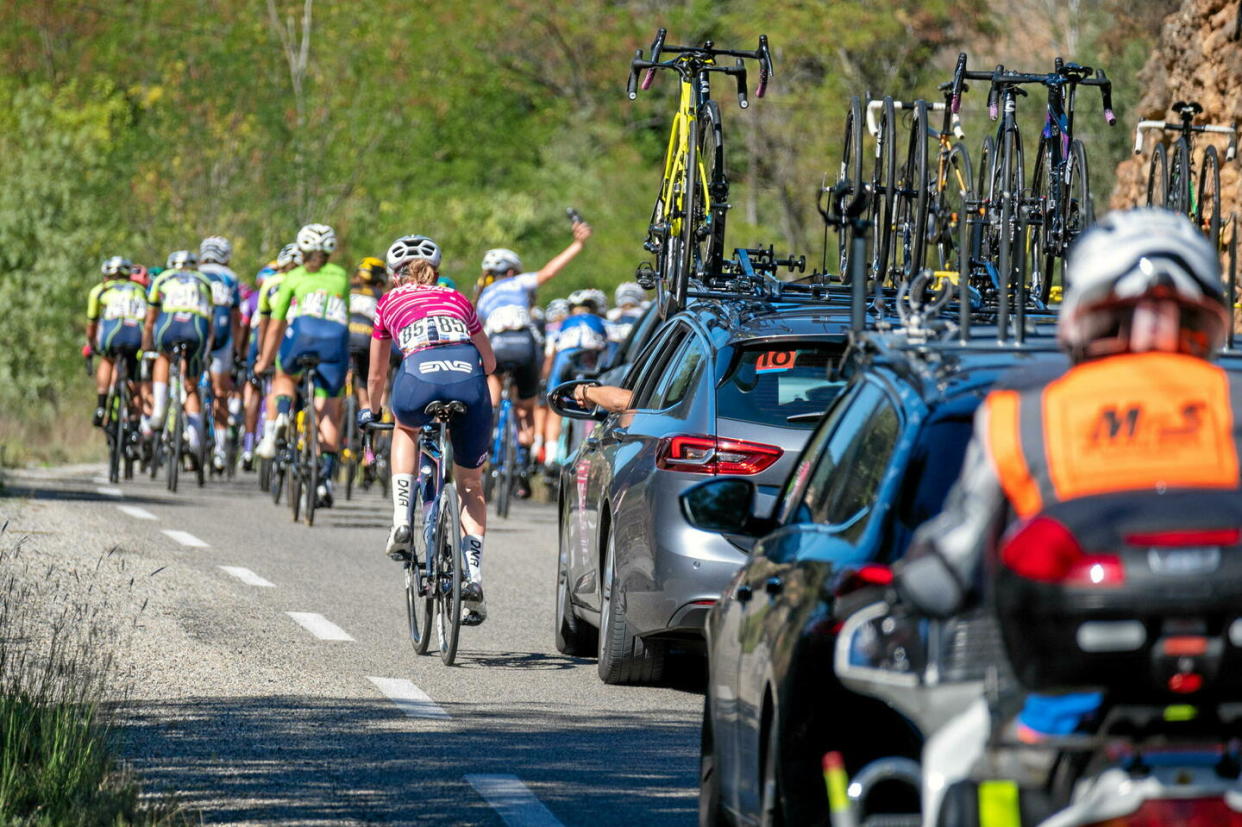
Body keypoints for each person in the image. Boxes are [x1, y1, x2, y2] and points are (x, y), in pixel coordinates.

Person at [894, 208, 1242, 741]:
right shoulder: (1234, 401)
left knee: (957, 763)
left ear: (1085, 311)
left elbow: (955, 559)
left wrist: (911, 586)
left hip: (1068, 715)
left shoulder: (1024, 409)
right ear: (1206, 314)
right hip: (1227, 704)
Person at [358, 235, 497, 625]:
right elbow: (489, 362)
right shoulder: (458, 299)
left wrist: (372, 411)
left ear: (394, 274)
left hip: (418, 378)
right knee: (471, 485)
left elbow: (376, 374)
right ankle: (473, 576)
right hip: (467, 379)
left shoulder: (388, 302)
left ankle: (402, 519)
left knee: (405, 427)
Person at [474, 221, 592, 492]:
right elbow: (549, 271)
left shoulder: (484, 297)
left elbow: (477, 331)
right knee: (524, 408)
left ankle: (488, 435)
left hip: (496, 345)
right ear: (512, 271)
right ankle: (524, 461)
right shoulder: (518, 282)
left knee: (492, 389)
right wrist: (577, 244)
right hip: (524, 344)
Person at [254, 224, 349, 508]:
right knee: (329, 411)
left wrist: (264, 361)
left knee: (284, 377)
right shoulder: (342, 276)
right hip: (334, 341)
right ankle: (323, 480)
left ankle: (281, 416)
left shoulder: (293, 276)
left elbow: (275, 325)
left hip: (302, 337)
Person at [144, 250, 215, 462]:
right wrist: (206, 351)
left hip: (169, 327)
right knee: (191, 384)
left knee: (163, 357)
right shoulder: (204, 280)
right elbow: (210, 321)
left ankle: (158, 410)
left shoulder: (163, 278)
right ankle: (194, 439)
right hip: (196, 329)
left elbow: (150, 320)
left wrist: (146, 347)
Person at [85, 257, 148, 428]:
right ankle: (135, 425)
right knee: (135, 378)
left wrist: (91, 345)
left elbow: (92, 323)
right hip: (136, 336)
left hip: (112, 336)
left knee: (107, 359)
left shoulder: (100, 290)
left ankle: (101, 405)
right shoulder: (140, 290)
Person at [198, 236, 243, 472]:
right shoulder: (230, 278)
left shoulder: (195, 273)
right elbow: (236, 318)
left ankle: (188, 435)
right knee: (221, 393)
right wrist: (238, 349)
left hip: (197, 336)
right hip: (223, 338)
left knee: (189, 385)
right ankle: (219, 451)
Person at [348, 256, 387, 413]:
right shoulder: (379, 294)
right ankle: (367, 410)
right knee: (365, 379)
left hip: (346, 337)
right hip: (366, 339)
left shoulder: (349, 289)